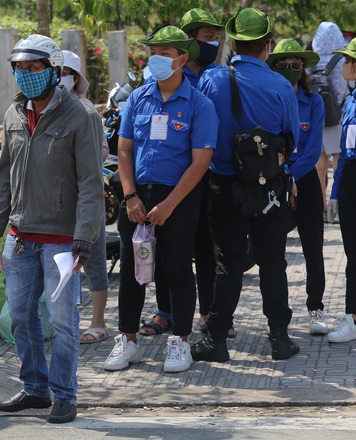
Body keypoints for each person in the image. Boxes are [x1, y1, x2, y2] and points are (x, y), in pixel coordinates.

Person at [0, 35, 104, 424]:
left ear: (53, 70)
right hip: (20, 238)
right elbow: (3, 180)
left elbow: (90, 183)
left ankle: (65, 395)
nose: (25, 75)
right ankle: (34, 388)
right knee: (20, 318)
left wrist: (84, 237)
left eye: (33, 68)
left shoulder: (79, 116)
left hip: (63, 243)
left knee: (64, 323)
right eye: (18, 68)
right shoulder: (14, 114)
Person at [103, 26, 217, 374]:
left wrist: (169, 205)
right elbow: (123, 150)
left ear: (182, 59)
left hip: (177, 199)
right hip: (137, 196)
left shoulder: (199, 104)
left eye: (165, 54)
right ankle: (128, 340)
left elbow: (201, 162)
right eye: (153, 52)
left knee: (179, 269)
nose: (156, 59)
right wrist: (131, 195)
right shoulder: (138, 96)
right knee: (132, 273)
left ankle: (179, 341)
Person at [190, 8, 300, 362]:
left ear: (233, 43)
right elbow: (291, 138)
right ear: (268, 46)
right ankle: (280, 339)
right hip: (270, 186)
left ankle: (217, 339)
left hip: (223, 185)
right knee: (272, 261)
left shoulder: (211, 79)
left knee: (228, 262)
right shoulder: (282, 85)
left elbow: (201, 131)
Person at [140, 9, 225, 337]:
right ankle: (165, 310)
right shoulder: (162, 79)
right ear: (189, 42)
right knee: (166, 250)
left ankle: (207, 312)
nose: (213, 43)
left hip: (207, 175)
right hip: (168, 182)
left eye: (216, 38)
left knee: (205, 247)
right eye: (207, 37)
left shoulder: (219, 77)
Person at [266, 39, 328, 335]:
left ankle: (315, 308)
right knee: (273, 249)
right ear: (273, 66)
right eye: (283, 64)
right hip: (275, 182)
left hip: (303, 182)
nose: (290, 69)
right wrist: (282, 176)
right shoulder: (269, 99)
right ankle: (278, 316)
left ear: (303, 67)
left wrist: (291, 175)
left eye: (296, 64)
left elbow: (313, 148)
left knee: (313, 248)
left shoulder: (313, 101)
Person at [60, 49, 110, 344]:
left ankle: (99, 322)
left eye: (64, 71)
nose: (59, 77)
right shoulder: (44, 109)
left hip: (86, 195)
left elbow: (100, 152)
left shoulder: (87, 111)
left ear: (75, 78)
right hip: (56, 200)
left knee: (93, 259)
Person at [326, 37, 356, 343]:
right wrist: (335, 192)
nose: (344, 65)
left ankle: (353, 316)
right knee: (352, 253)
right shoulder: (352, 100)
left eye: (348, 60)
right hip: (348, 183)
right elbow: (346, 154)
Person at [312, 22, 350, 224]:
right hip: (339, 116)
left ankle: (322, 208)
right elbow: (345, 87)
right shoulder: (340, 60)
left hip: (318, 118)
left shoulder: (312, 61)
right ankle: (340, 204)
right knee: (339, 162)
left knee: (320, 165)